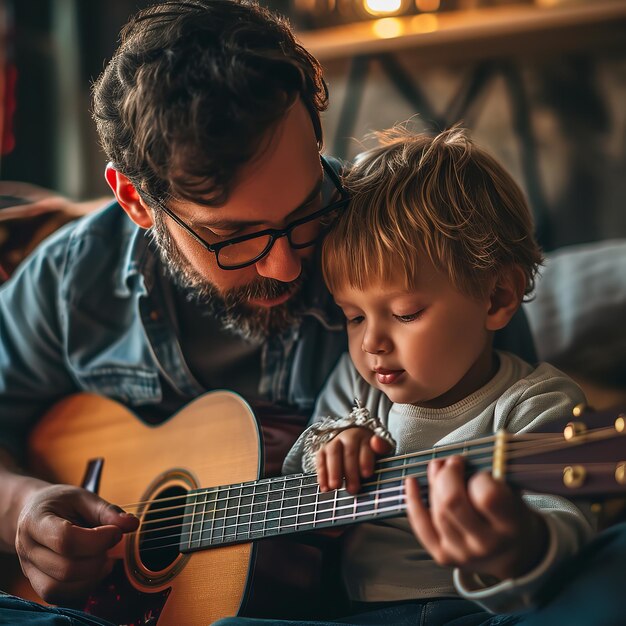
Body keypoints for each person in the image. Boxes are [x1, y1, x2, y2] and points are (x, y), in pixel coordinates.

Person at [0, 1, 622, 625]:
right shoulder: (70, 280)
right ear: (136, 200)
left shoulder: (414, 248)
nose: (288, 268)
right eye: (236, 237)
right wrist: (18, 508)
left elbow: (526, 479)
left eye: (305, 211)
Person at [213, 127, 622, 626]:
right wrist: (334, 445)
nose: (371, 343)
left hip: (475, 610)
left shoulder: (536, 402)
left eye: (405, 314)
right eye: (354, 316)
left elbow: (564, 520)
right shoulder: (358, 381)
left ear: (496, 298)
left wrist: (518, 544)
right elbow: (303, 467)